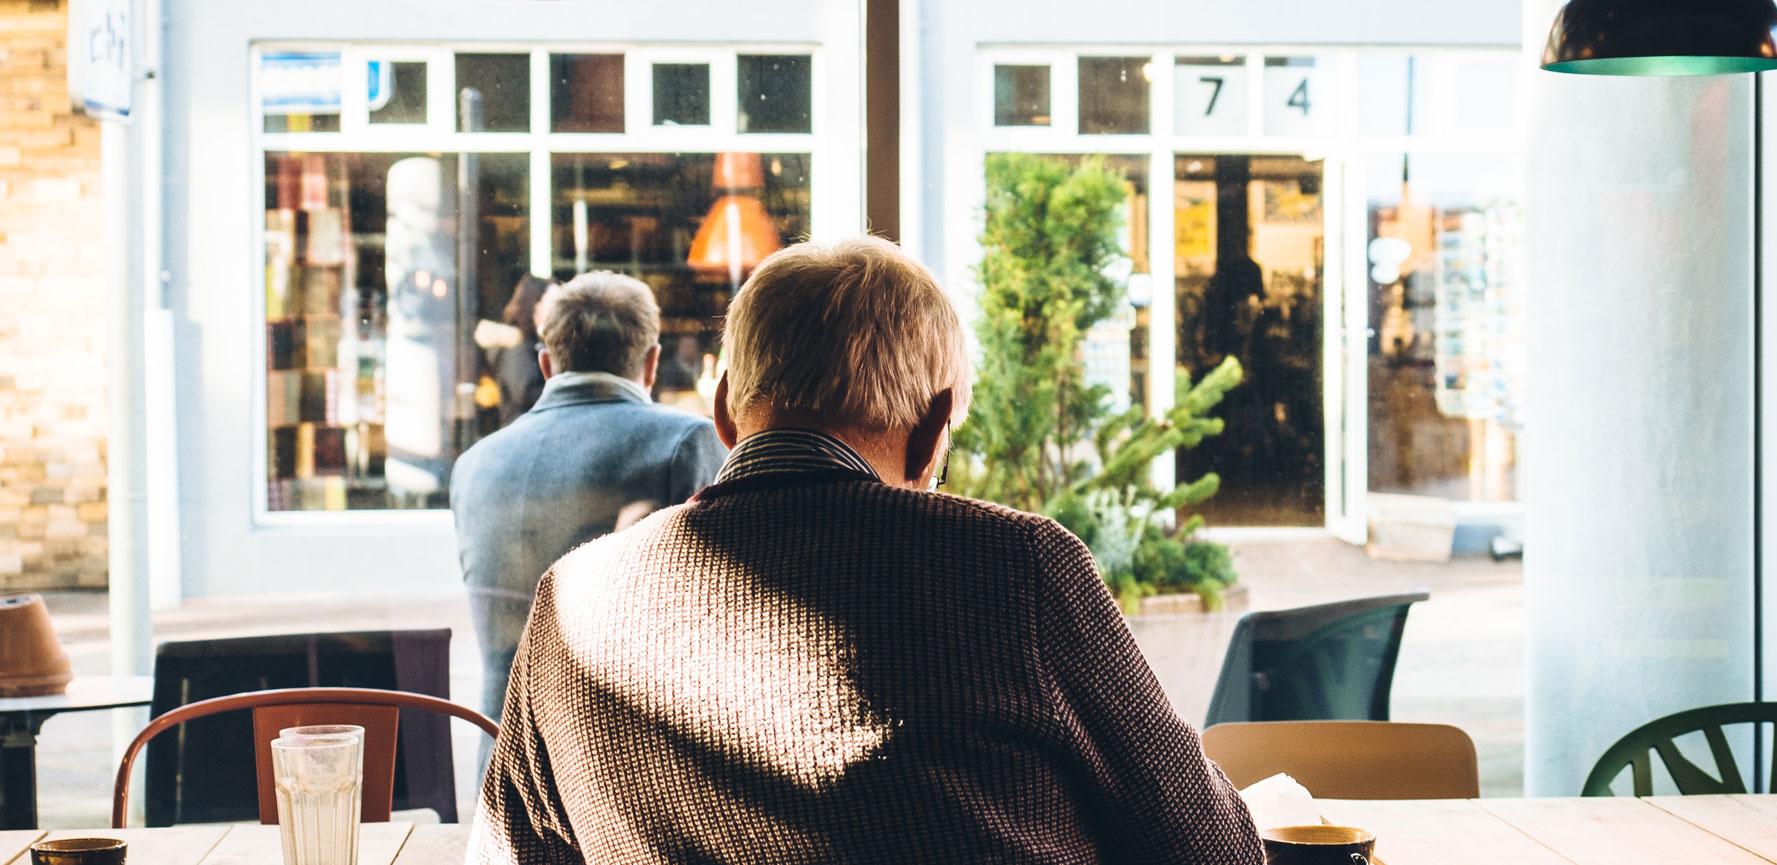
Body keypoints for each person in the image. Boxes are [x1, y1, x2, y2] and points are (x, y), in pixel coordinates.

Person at [469, 237, 1262, 864]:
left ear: (723, 412)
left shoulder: (571, 601)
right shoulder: (1019, 571)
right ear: (931, 428)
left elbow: (510, 850)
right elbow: (1212, 850)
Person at [450, 271, 727, 722]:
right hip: (620, 766)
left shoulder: (474, 464)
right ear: (653, 363)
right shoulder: (684, 443)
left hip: (499, 764)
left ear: (546, 365)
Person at [495, 273, 554, 427]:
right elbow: (525, 392)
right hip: (522, 433)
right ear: (535, 305)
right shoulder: (517, 343)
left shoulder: (534, 341)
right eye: (552, 302)